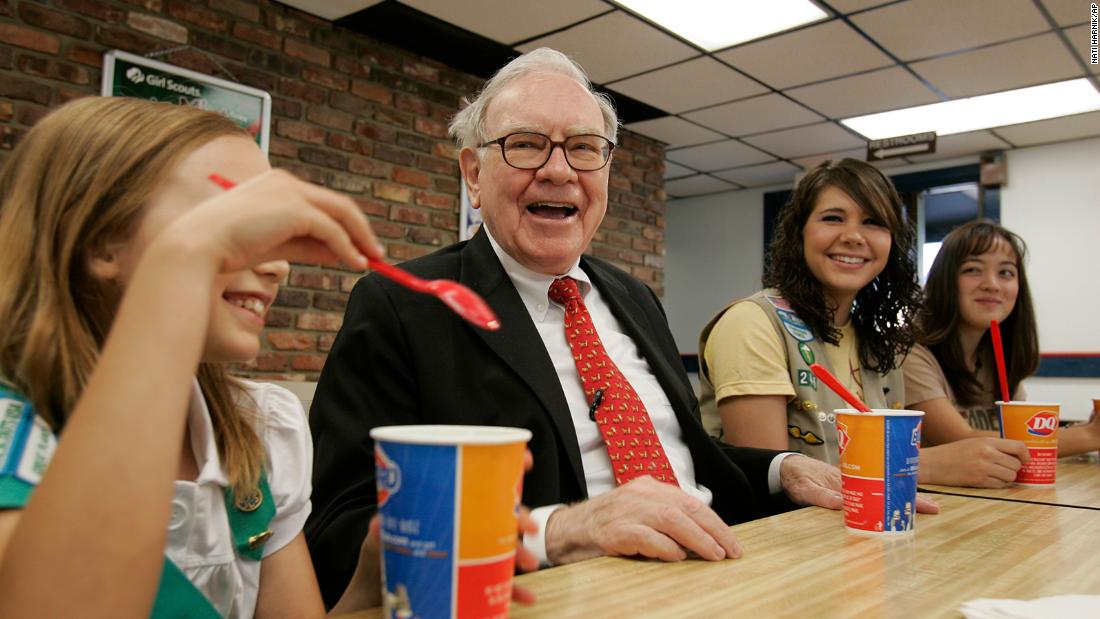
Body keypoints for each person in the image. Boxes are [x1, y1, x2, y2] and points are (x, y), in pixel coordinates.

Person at [304, 47, 899, 607]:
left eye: (585, 148)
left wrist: (782, 469)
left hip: (726, 580)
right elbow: (340, 529)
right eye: (526, 144)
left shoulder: (635, 298)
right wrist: (558, 529)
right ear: (474, 175)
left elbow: (689, 460)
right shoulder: (401, 306)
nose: (559, 171)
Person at [0, 96, 389, 618]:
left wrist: (370, 586)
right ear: (99, 240)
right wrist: (179, 271)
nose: (279, 265)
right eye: (229, 218)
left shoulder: (259, 431)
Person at [698, 160, 1030, 488]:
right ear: (799, 234)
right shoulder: (751, 322)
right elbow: (770, 477)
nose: (854, 236)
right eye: (833, 218)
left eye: (873, 222)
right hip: (776, 536)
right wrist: (923, 465)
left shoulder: (878, 342)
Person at [904, 219, 1100, 459]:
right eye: (972, 269)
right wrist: (1089, 436)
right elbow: (962, 441)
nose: (992, 285)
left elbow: (1019, 434)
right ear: (944, 280)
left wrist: (1084, 430)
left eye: (1005, 273)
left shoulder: (998, 354)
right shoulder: (909, 352)